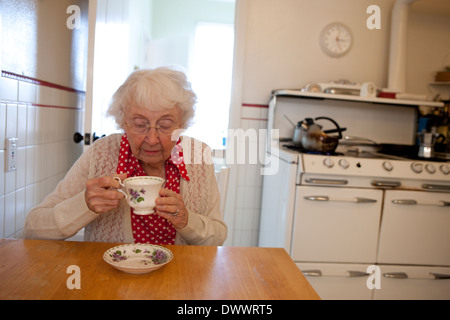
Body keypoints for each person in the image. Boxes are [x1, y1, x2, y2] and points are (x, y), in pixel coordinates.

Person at [23, 67, 227, 246]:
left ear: (181, 124)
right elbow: (33, 229)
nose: (152, 139)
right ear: (122, 122)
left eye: (165, 126)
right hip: (110, 281)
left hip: (181, 279)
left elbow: (217, 237)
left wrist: (186, 220)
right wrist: (84, 205)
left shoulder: (198, 156)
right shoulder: (101, 153)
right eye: (140, 125)